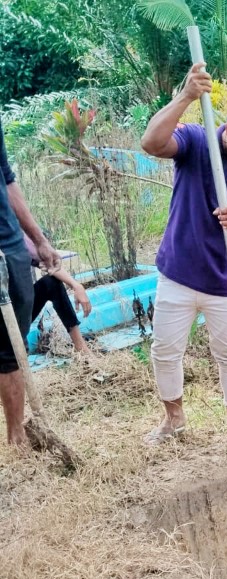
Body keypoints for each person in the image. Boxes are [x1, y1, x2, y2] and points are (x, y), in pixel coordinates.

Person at [140, 63, 227, 446]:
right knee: (166, 350)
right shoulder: (196, 142)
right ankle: (174, 419)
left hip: (224, 278)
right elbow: (151, 143)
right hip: (178, 272)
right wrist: (186, 96)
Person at [0, 118, 61, 447]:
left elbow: (6, 178)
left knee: (12, 347)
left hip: (8, 246)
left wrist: (38, 239)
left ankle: (16, 437)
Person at [25, 235, 92, 353]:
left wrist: (76, 285)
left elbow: (49, 262)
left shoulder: (14, 235)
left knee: (51, 283)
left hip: (17, 312)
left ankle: (82, 349)